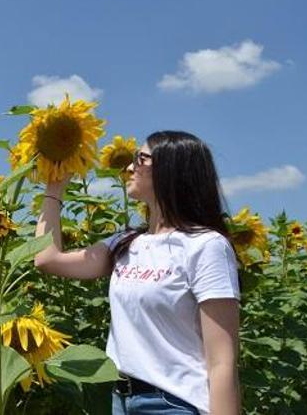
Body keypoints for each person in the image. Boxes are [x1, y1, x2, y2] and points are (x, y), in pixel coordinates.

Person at [34, 131, 241, 415]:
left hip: (174, 404)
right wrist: (54, 189)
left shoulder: (206, 247)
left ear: (172, 169)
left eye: (140, 159)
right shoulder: (125, 243)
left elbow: (222, 362)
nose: (130, 167)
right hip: (121, 400)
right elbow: (47, 258)